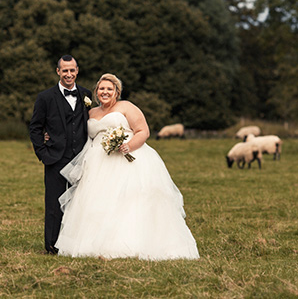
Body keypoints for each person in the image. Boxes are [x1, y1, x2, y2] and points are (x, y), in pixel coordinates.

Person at [54, 73, 199, 260]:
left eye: (109, 89)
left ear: (117, 92)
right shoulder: (91, 112)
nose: (105, 92)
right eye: (101, 88)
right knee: (98, 202)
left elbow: (143, 131)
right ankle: (97, 244)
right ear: (97, 92)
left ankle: (128, 243)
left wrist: (128, 146)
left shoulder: (126, 107)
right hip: (97, 162)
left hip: (126, 156)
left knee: (126, 200)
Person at [28, 55, 93, 254]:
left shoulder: (86, 94)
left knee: (80, 203)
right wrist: (43, 153)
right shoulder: (45, 97)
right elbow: (35, 127)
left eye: (72, 70)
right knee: (54, 204)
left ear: (77, 71)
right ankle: (52, 246)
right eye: (64, 70)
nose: (68, 74)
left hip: (81, 158)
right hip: (55, 158)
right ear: (58, 72)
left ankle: (75, 244)